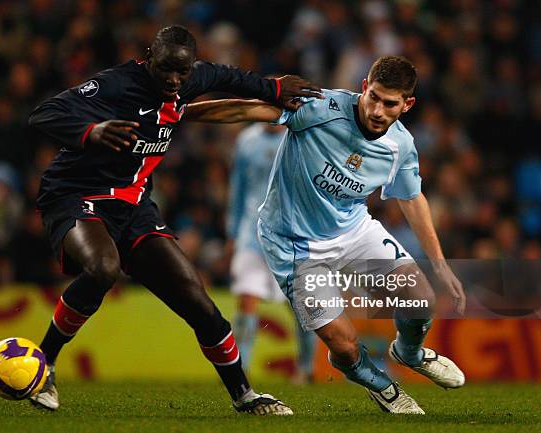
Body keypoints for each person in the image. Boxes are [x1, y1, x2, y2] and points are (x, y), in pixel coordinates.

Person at [28, 24, 321, 415]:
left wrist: (275, 89)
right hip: (76, 195)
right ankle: (43, 364)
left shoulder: (193, 78)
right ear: (149, 56)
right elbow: (44, 114)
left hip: (133, 208)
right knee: (103, 268)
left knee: (198, 301)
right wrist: (90, 131)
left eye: (182, 72)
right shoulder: (114, 85)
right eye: (165, 68)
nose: (173, 79)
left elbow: (234, 77)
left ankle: (245, 396)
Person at [184, 56, 467, 414]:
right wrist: (180, 113)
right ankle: (382, 385)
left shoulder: (401, 146)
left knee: (420, 299)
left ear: (407, 105)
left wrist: (439, 264)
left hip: (353, 231)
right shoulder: (320, 108)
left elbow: (411, 198)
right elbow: (246, 111)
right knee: (345, 347)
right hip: (293, 244)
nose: (378, 110)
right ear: (364, 87)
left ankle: (409, 352)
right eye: (374, 97)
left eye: (390, 103)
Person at [227, 122, 316, 382]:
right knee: (246, 298)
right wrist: (232, 232)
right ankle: (239, 372)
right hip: (250, 234)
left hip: (292, 234)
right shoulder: (246, 139)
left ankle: (306, 368)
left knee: (302, 305)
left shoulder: (302, 137)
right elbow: (238, 186)